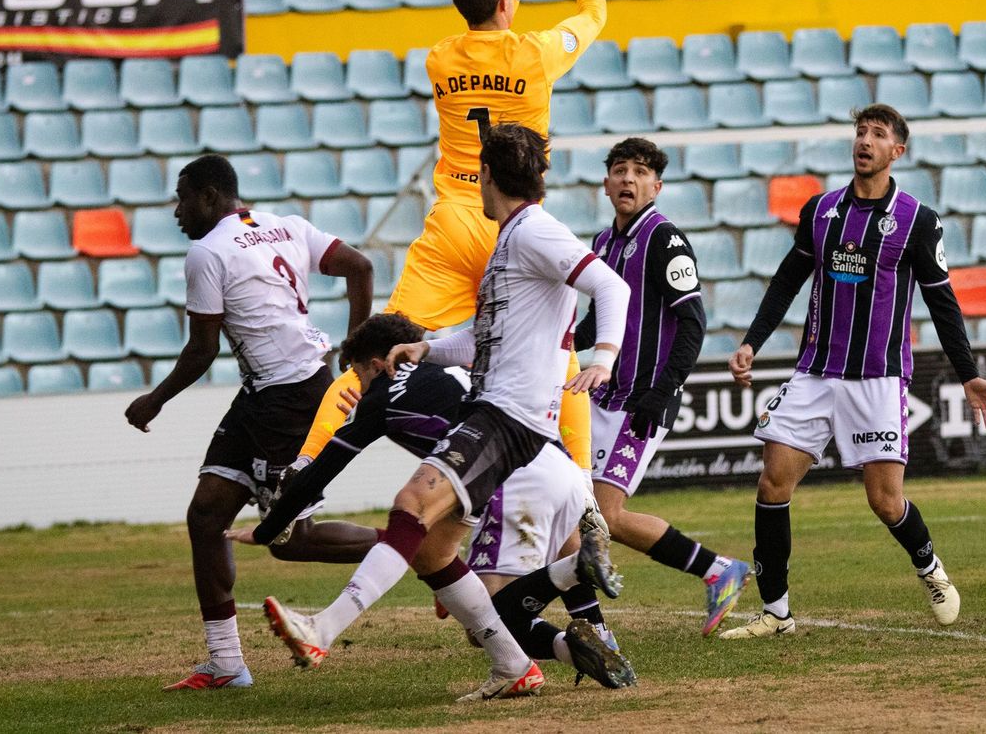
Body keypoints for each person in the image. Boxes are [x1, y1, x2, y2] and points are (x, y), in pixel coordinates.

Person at [252, 124, 633, 702]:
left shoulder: (535, 231)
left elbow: (611, 287)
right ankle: (514, 664)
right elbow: (484, 337)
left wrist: (603, 357)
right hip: (504, 413)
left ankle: (321, 630)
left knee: (411, 504)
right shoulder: (513, 239)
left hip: (510, 414)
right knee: (432, 549)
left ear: (486, 175)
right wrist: (426, 348)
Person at [293, 0, 606, 474]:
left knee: (381, 347)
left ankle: (304, 466)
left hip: (451, 223)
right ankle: (582, 487)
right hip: (513, 226)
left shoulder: (441, 58)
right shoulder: (536, 55)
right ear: (507, 4)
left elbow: (490, 20)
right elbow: (594, 15)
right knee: (559, 354)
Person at [719, 105, 986, 639]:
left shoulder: (918, 220)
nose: (865, 141)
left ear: (897, 151)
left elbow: (943, 303)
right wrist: (752, 341)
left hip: (878, 377)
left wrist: (968, 373)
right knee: (773, 482)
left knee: (885, 500)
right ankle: (777, 612)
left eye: (877, 134)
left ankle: (930, 568)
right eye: (860, 132)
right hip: (816, 372)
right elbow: (787, 280)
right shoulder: (822, 210)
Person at [230, 312, 634, 690]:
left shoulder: (383, 393)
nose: (358, 386)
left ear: (377, 364)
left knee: (486, 600)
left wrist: (268, 530)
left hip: (512, 476)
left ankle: (322, 629)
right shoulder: (451, 368)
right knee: (432, 555)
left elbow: (318, 473)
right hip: (551, 462)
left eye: (357, 374)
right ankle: (523, 663)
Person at [123, 154, 374, 691]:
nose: (177, 212)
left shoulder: (207, 252)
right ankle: (226, 663)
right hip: (268, 392)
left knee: (290, 538)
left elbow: (201, 349)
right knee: (207, 514)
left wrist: (155, 399)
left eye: (182, 198)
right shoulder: (287, 225)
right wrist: (355, 350)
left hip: (289, 399)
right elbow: (361, 267)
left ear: (209, 196)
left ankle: (412, 546)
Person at [502, 137, 750, 637]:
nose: (628, 179)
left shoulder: (665, 239)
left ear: (656, 186)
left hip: (642, 400)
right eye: (620, 170)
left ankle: (718, 570)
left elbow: (693, 323)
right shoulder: (603, 242)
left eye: (640, 172)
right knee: (570, 511)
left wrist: (663, 391)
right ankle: (591, 626)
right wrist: (552, 344)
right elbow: (596, 323)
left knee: (607, 516)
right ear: (605, 182)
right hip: (601, 397)